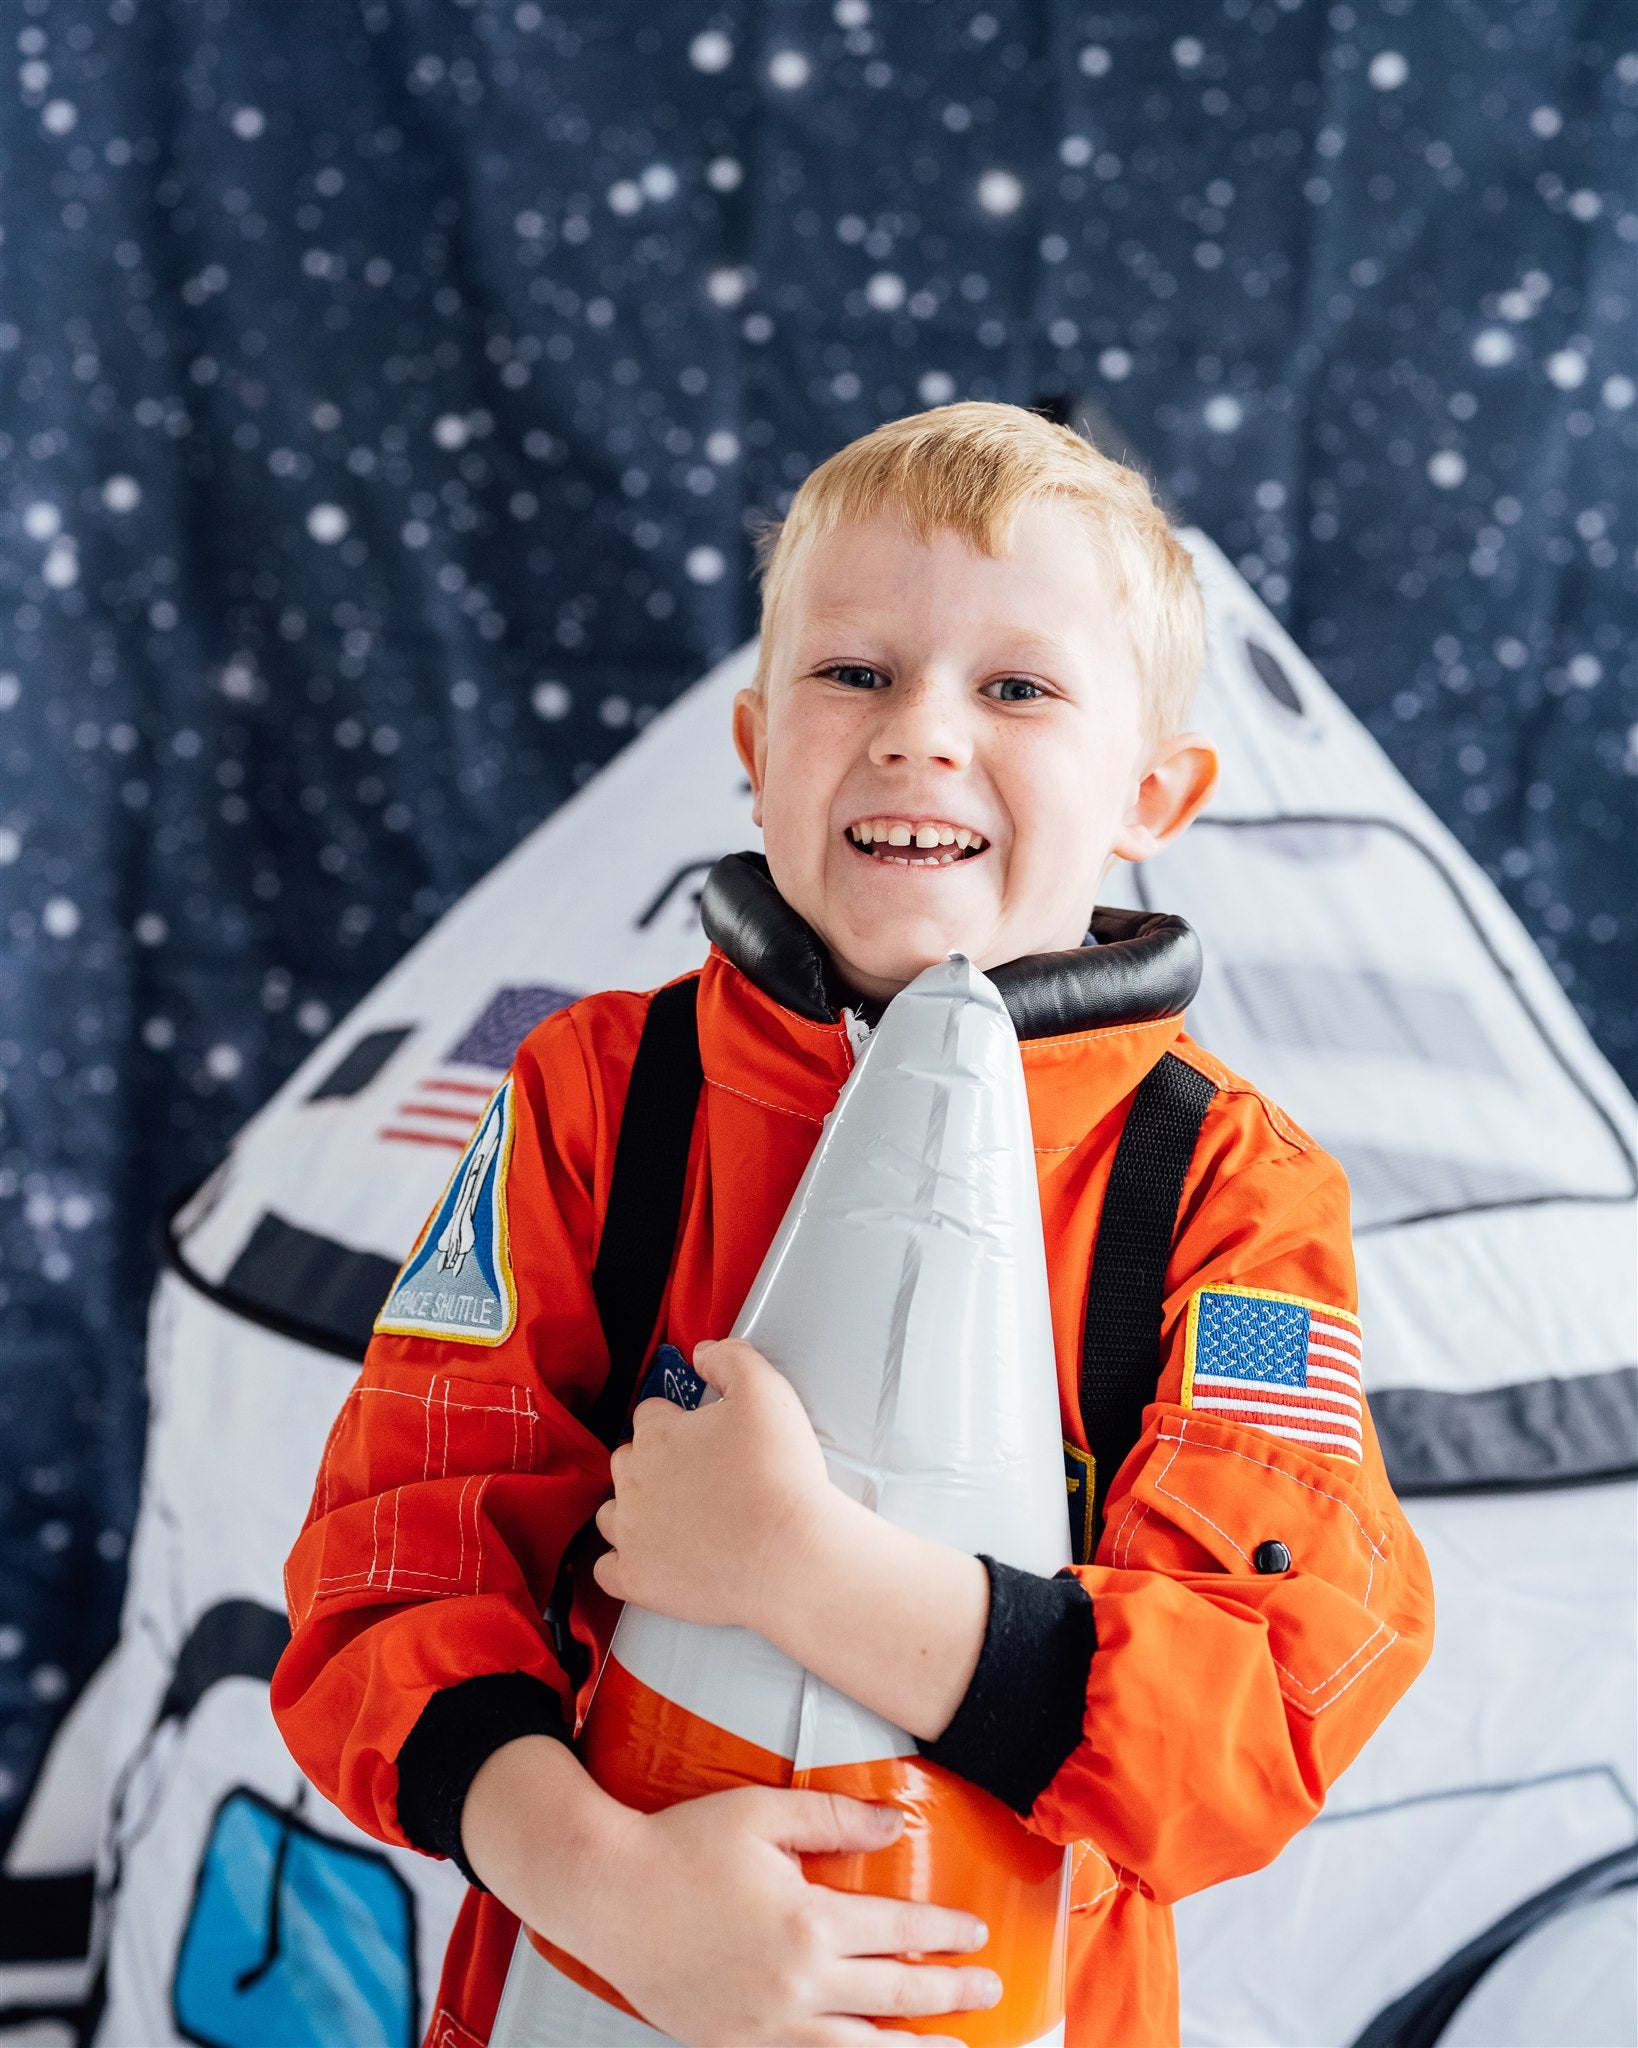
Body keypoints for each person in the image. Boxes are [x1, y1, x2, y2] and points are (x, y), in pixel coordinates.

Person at [272, 401, 1435, 2048]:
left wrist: (804, 1569)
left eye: (1016, 688)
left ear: (1153, 793)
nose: (919, 736)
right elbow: (391, 1566)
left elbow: (1264, 1702)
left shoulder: (1228, 1191)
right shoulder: (597, 1100)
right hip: (586, 1984)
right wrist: (608, 1891)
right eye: (855, 674)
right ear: (754, 747)